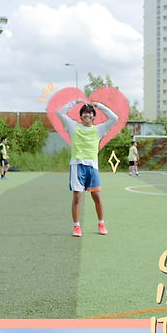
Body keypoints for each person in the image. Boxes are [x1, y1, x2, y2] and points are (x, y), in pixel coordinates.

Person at [57, 99, 118, 237]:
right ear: (80, 116)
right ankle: (76, 226)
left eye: (90, 113)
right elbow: (59, 112)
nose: (87, 115)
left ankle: (101, 223)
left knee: (96, 196)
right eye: (85, 113)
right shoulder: (73, 126)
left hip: (92, 167)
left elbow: (114, 118)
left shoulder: (99, 129)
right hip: (77, 166)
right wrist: (75, 102)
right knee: (77, 197)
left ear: (94, 116)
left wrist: (99, 105)